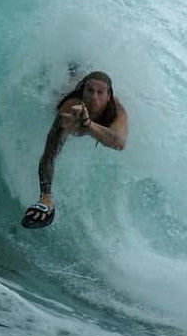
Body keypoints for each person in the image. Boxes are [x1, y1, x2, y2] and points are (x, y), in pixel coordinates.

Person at [21, 71, 129, 228]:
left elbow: (119, 143)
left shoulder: (117, 111)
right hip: (61, 92)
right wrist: (45, 195)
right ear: (83, 92)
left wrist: (88, 123)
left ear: (109, 96)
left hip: (89, 120)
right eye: (90, 91)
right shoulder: (69, 109)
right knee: (54, 89)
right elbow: (49, 154)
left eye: (100, 93)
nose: (94, 97)